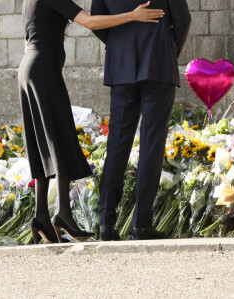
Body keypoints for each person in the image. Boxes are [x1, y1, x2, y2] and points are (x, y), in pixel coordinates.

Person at [18, 0, 164, 244]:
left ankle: (41, 215)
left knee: (43, 143)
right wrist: (133, 15)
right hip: (43, 70)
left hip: (30, 68)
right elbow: (90, 21)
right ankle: (63, 214)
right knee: (60, 136)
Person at [91, 0, 191, 241]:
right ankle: (142, 225)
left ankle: (106, 222)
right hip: (158, 61)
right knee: (151, 144)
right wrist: (168, 49)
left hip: (121, 62)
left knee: (116, 143)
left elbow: (97, 22)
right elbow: (182, 20)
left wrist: (118, 43)